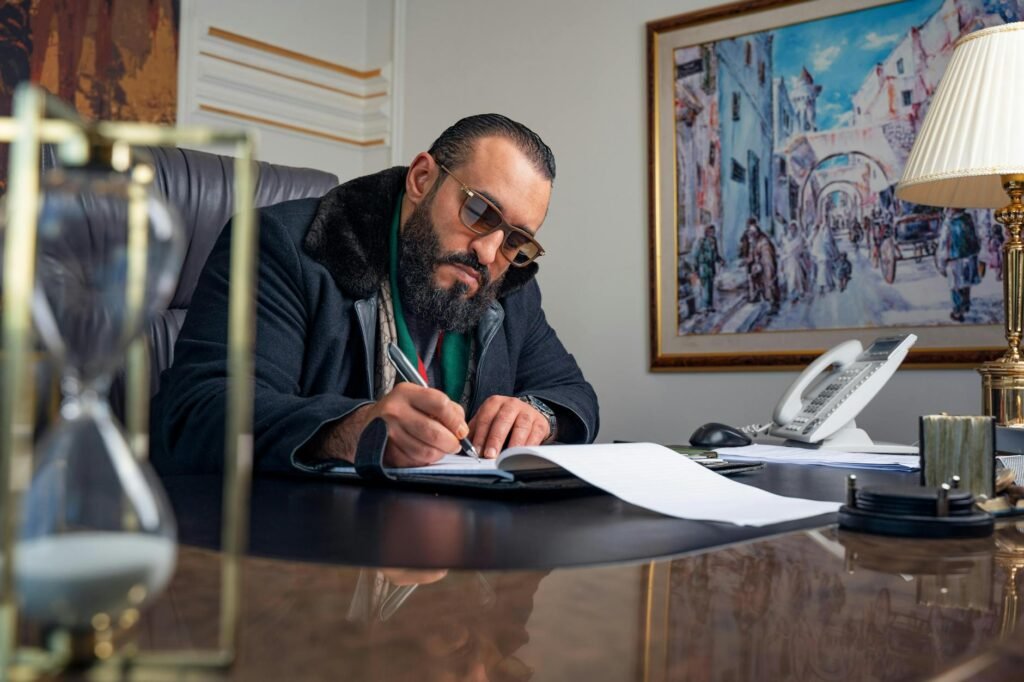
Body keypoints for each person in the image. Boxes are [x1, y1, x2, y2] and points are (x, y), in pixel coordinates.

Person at [151, 114, 600, 473]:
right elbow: (200, 411)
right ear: (423, 179)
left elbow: (572, 391)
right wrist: (353, 430)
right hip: (303, 554)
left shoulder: (508, 287)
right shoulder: (283, 244)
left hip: (455, 552)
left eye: (515, 240)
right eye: (479, 211)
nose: (488, 252)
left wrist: (539, 413)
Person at [937, 206, 982, 322]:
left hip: (955, 258)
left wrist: (941, 262)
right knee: (966, 283)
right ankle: (966, 305)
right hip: (970, 256)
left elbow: (943, 243)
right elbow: (975, 237)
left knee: (955, 286)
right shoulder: (968, 218)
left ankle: (957, 312)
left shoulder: (948, 223)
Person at [738, 217, 780, 314]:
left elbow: (767, 258)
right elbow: (752, 254)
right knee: (755, 279)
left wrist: (759, 264)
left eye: (751, 235)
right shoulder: (754, 241)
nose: (750, 237)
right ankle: (757, 296)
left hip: (767, 264)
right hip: (760, 264)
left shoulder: (764, 242)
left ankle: (773, 304)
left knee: (769, 282)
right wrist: (747, 261)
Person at [693, 224, 726, 312]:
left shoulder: (714, 241)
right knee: (705, 287)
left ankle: (709, 306)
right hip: (703, 267)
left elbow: (715, 254)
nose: (713, 233)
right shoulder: (702, 242)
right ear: (707, 232)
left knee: (710, 287)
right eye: (711, 232)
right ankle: (704, 307)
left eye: (713, 232)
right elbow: (695, 255)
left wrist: (720, 260)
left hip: (711, 267)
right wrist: (695, 269)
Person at [780, 221, 810, 302]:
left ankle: (799, 292)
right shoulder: (786, 239)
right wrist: (782, 264)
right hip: (788, 262)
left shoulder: (799, 238)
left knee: (798, 277)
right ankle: (793, 295)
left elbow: (802, 249)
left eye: (794, 229)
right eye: (791, 229)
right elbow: (783, 252)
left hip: (797, 261)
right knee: (790, 279)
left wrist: (802, 256)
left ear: (796, 229)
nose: (792, 230)